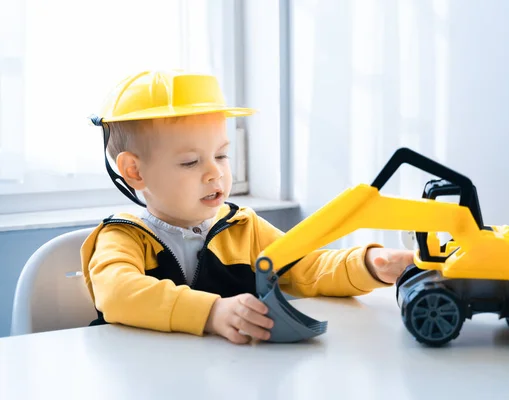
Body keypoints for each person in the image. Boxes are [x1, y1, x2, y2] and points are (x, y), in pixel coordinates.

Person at [81, 70, 414, 344]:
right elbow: (118, 293)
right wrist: (211, 313)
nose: (216, 172)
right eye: (191, 161)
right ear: (135, 172)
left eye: (222, 155)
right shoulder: (124, 237)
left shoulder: (244, 228)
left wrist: (367, 265)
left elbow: (309, 267)